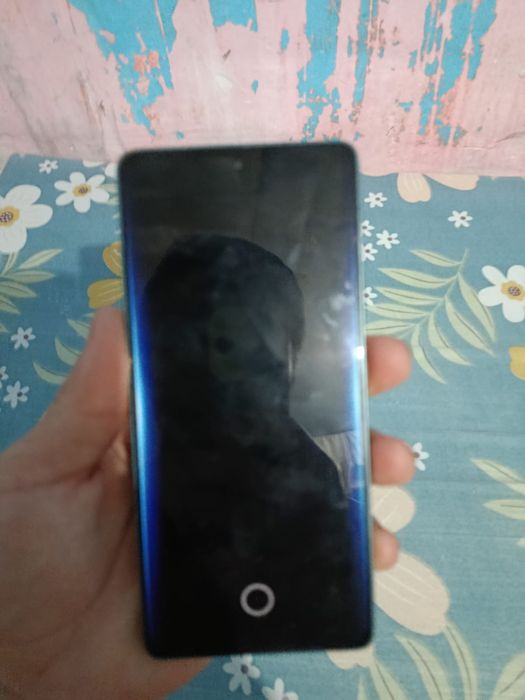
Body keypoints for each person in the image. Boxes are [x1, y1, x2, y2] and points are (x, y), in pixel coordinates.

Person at [0, 308, 414, 699]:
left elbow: (320, 536)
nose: (249, 369)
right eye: (225, 346)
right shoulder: (165, 451)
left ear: (289, 362)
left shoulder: (307, 461)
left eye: (266, 349)